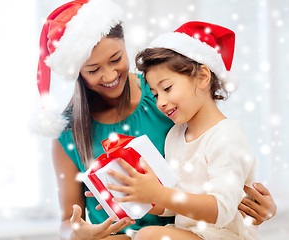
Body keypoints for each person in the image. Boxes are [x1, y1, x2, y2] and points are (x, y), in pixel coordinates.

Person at [35, 0, 276, 239]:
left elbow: (221, 161)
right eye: (93, 69)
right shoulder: (68, 131)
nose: (109, 75)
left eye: (116, 58)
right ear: (77, 72)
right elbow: (68, 220)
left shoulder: (165, 93)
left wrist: (261, 207)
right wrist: (77, 233)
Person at [105, 21, 272, 240]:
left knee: (148, 236)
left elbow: (222, 211)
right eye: (155, 94)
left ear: (203, 77)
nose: (161, 102)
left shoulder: (227, 135)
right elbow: (173, 207)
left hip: (224, 235)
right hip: (189, 232)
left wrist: (160, 194)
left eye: (167, 88)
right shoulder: (175, 136)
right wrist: (137, 195)